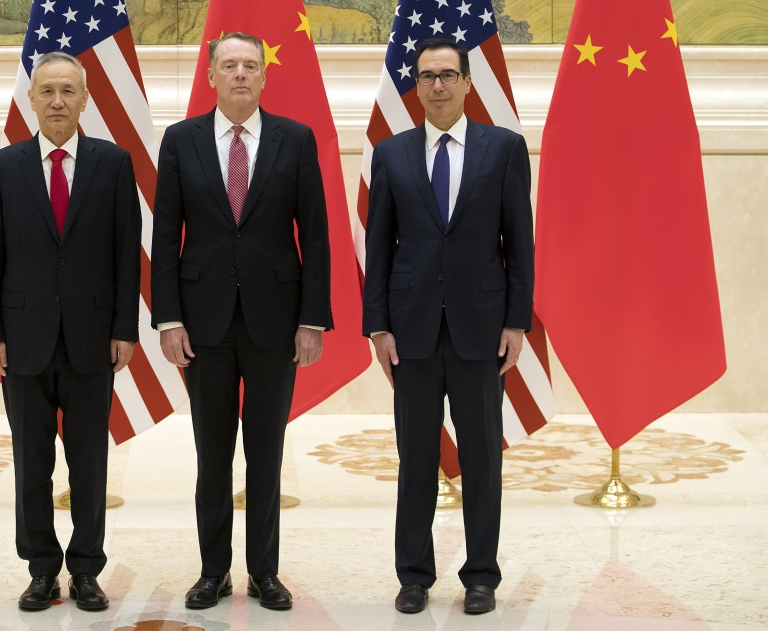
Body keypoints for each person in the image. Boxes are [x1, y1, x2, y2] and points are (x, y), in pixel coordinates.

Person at [150, 32, 332, 611]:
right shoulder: (180, 141)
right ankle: (213, 572)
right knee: (212, 452)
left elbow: (317, 237)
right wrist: (168, 319)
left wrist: (313, 320)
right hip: (202, 323)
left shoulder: (295, 140)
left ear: (264, 75)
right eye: (229, 65)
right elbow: (166, 234)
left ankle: (265, 573)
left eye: (250, 65)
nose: (240, 74)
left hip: (276, 322)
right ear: (210, 76)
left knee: (266, 452)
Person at [362, 38, 534, 616]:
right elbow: (379, 247)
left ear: (465, 83)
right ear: (415, 84)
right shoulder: (391, 154)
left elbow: (520, 245)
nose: (437, 86)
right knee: (415, 456)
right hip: (409, 331)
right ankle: (413, 575)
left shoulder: (504, 149)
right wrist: (377, 326)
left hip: (481, 329)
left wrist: (516, 321)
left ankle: (481, 575)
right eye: (427, 76)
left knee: (483, 455)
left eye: (447, 76)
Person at [0, 51, 141, 612]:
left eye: (68, 91)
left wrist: (125, 327)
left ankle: (88, 570)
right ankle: (41, 569)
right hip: (21, 340)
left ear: (85, 99)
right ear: (31, 100)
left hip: (94, 338)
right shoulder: (2, 167)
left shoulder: (113, 164)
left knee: (89, 459)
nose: (57, 101)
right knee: (32, 461)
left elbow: (126, 255)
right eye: (46, 91)